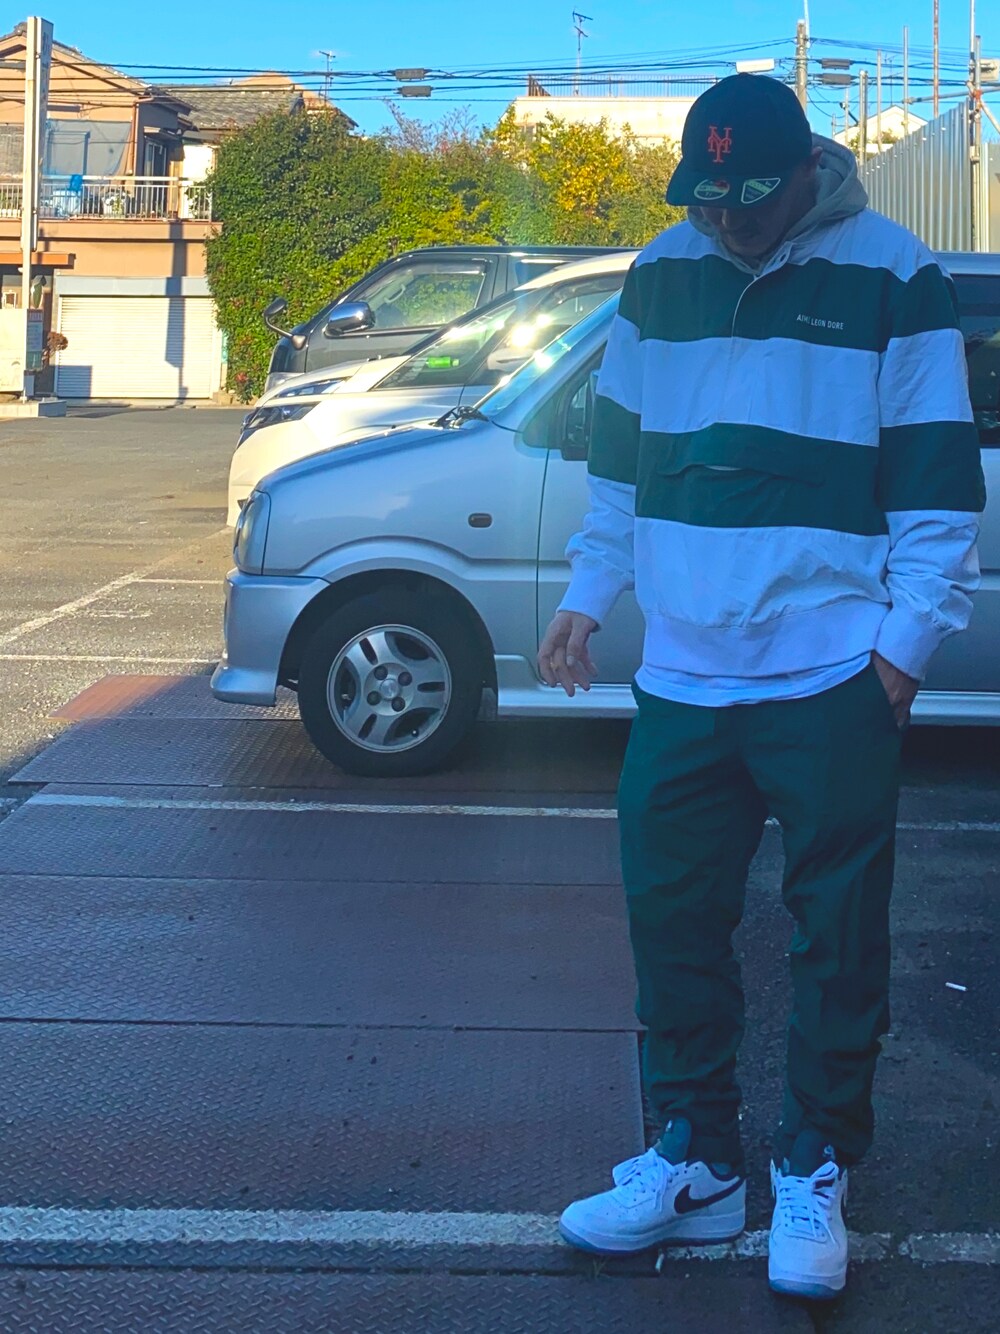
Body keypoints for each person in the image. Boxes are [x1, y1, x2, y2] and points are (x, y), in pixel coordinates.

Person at [539, 74, 984, 1301]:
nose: (727, 219)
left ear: (803, 174)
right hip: (682, 673)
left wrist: (900, 652)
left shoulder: (892, 272)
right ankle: (696, 1159)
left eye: (748, 196)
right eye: (707, 196)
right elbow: (620, 466)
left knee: (836, 936)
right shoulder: (657, 274)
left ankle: (814, 1160)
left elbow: (936, 483)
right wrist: (589, 592)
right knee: (671, 923)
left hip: (831, 672)